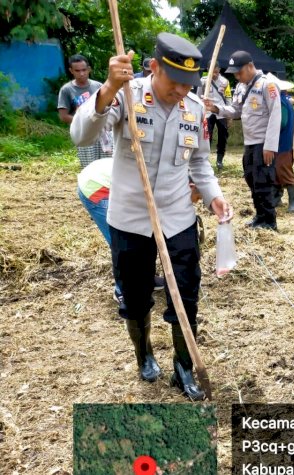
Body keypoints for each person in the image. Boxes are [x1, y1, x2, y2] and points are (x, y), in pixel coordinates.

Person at [70, 32, 233, 401]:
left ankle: (183, 367)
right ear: (155, 67)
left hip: (177, 218)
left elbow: (201, 162)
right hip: (130, 219)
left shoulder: (193, 108)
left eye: (186, 84)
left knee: (186, 296)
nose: (180, 91)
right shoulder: (127, 94)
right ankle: (143, 353)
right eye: (174, 82)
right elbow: (81, 135)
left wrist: (215, 198)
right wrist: (109, 87)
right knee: (136, 295)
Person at [204, 50, 280, 230]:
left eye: (239, 72)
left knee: (263, 181)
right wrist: (215, 108)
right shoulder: (241, 87)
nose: (237, 76)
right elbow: (235, 110)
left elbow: (275, 115)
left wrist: (270, 146)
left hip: (263, 143)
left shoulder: (267, 85)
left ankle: (269, 220)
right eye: (235, 73)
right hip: (250, 143)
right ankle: (259, 216)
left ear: (250, 66)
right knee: (250, 178)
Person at [77, 157, 165, 305]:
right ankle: (122, 290)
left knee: (142, 236)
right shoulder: (157, 181)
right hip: (96, 187)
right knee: (121, 240)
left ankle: (147, 280)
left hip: (109, 181)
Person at [58, 54, 112, 168]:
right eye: (77, 71)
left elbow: (110, 107)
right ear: (71, 71)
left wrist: (100, 122)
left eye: (84, 70)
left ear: (89, 69)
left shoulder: (99, 86)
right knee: (89, 168)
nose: (81, 73)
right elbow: (63, 116)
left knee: (107, 166)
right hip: (85, 135)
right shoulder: (67, 90)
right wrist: (85, 122)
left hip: (103, 133)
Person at [266, 73, 294, 212]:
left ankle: (293, 202)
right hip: (284, 142)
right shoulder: (285, 99)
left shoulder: (281, 102)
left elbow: (281, 122)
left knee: (284, 171)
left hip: (282, 143)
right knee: (275, 171)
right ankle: (277, 198)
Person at [196, 68, 231, 170]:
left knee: (223, 136)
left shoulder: (225, 82)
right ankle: (205, 159)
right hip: (208, 112)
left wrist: (229, 115)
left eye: (217, 72)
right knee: (207, 136)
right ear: (209, 69)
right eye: (213, 72)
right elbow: (198, 97)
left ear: (219, 70)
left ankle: (219, 160)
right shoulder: (203, 81)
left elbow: (228, 97)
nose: (215, 74)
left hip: (221, 111)